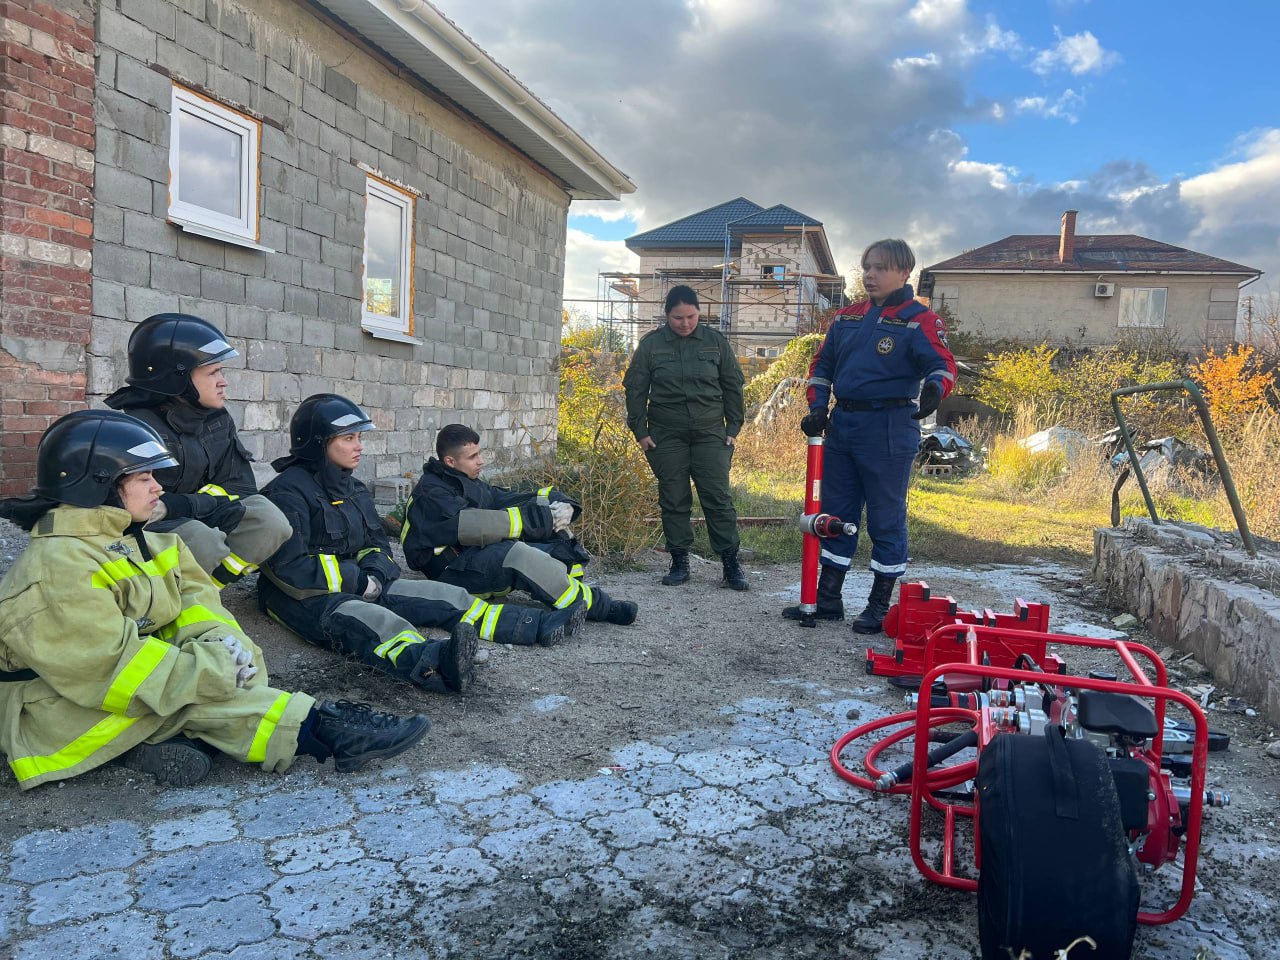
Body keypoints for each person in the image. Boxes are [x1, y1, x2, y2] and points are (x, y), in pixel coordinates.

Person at [0, 410, 431, 790]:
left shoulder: (141, 540)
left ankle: (178, 743)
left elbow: (198, 603)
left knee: (204, 683)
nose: (158, 488)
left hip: (115, 689)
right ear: (101, 484)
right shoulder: (55, 569)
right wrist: (214, 671)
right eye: (144, 477)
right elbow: (114, 676)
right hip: (56, 717)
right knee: (198, 698)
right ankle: (326, 728)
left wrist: (223, 647)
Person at [259, 396, 584, 692]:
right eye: (348, 438)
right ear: (318, 445)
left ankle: (535, 626)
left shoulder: (354, 489)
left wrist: (375, 572)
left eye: (359, 437)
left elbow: (378, 544)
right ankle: (439, 663)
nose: (359, 446)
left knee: (448, 596)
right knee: (379, 624)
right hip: (305, 597)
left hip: (365, 582)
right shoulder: (287, 494)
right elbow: (291, 568)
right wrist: (359, 580)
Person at [783, 239, 957, 633]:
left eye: (880, 267)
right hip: (843, 426)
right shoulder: (846, 318)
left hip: (891, 426)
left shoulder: (920, 320)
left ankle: (878, 606)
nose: (871, 275)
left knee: (885, 517)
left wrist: (934, 390)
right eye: (867, 267)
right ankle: (828, 600)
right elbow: (821, 364)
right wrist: (816, 408)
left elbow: (941, 364)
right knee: (835, 512)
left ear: (904, 272)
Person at [104, 313, 291, 588]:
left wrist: (192, 505)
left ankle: (207, 590)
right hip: (148, 528)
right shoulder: (135, 431)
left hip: (196, 510)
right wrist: (189, 509)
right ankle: (158, 600)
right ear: (177, 378)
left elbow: (240, 486)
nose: (223, 381)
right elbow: (124, 514)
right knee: (200, 539)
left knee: (270, 520)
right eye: (213, 372)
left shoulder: (216, 419)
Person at [400, 424, 638, 627]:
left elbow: (505, 498)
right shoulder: (432, 494)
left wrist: (562, 503)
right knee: (519, 556)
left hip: (473, 557)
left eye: (479, 453)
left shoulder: (462, 480)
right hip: (452, 572)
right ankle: (598, 607)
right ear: (450, 461)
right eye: (473, 457)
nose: (481, 461)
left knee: (556, 538)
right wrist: (540, 520)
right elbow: (474, 525)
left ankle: (569, 586)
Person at [622, 285, 749, 590]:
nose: (685, 323)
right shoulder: (651, 345)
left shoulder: (715, 342)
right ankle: (679, 562)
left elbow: (733, 385)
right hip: (666, 435)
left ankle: (731, 564)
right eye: (678, 317)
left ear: (699, 313)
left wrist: (733, 427)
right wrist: (640, 431)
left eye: (691, 316)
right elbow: (635, 389)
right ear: (667, 316)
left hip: (710, 433)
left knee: (717, 498)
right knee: (674, 498)